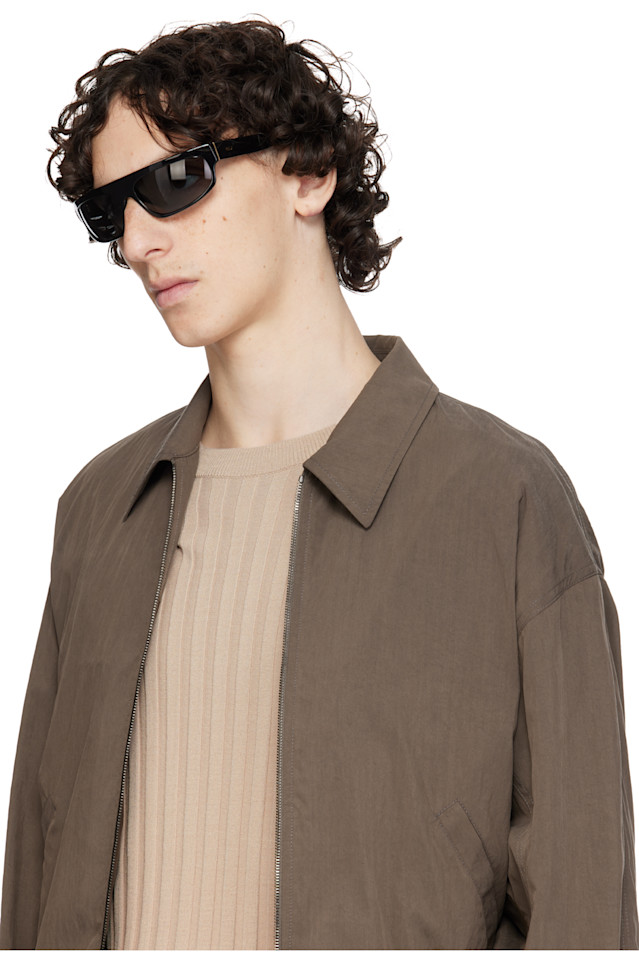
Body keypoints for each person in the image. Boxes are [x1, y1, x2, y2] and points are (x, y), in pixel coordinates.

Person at [0, 16, 636, 951]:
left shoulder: (500, 498)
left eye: (174, 183)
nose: (136, 242)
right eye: (111, 213)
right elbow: (31, 871)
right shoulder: (99, 508)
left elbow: (582, 903)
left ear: (307, 171)